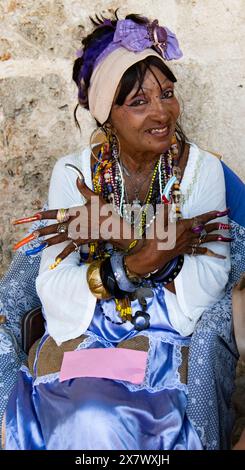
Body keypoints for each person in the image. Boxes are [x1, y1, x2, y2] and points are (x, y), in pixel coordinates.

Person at [4, 12, 232, 450]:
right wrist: (140, 258)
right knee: (86, 413)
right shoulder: (72, 172)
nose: (163, 112)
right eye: (140, 102)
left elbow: (207, 285)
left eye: (167, 94)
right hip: (85, 337)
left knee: (104, 419)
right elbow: (52, 287)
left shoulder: (201, 172)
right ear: (107, 112)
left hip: (164, 337)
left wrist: (118, 234)